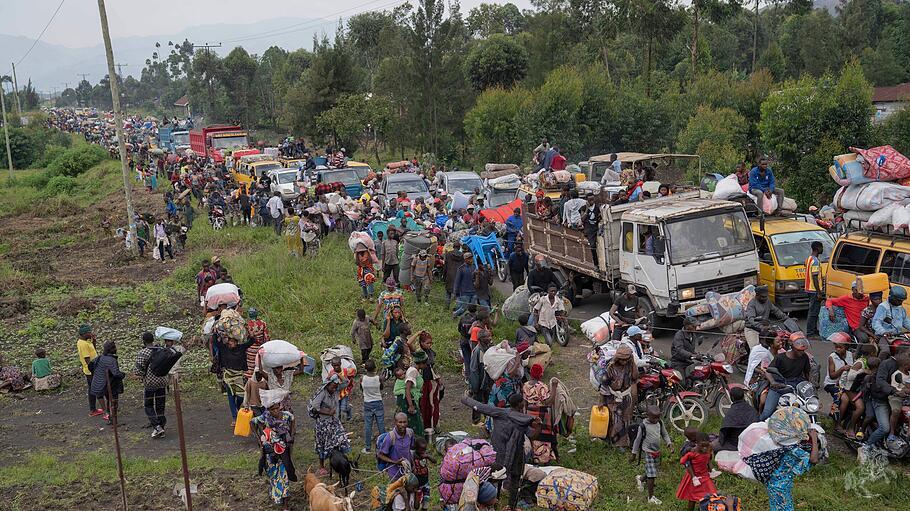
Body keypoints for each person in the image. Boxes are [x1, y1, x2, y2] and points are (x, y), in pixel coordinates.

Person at [461, 392, 538, 511]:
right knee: (514, 480)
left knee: (496, 478)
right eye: (523, 401)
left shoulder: (501, 412)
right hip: (515, 453)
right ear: (520, 405)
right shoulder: (521, 419)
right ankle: (510, 506)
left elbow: (480, 407)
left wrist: (465, 399)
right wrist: (538, 427)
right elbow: (532, 435)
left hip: (499, 452)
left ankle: (492, 502)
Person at [762, 410, 820, 511]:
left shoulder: (779, 441)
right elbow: (814, 459)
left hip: (772, 482)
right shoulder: (794, 450)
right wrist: (814, 439)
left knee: (776, 507)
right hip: (780, 487)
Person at [251, 396, 296, 510]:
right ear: (269, 410)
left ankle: (285, 504)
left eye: (277, 408)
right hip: (270, 451)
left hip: (283, 450)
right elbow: (252, 422)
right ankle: (277, 494)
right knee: (273, 473)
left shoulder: (286, 415)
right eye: (272, 409)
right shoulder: (265, 417)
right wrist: (259, 440)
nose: (275, 411)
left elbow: (293, 420)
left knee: (284, 473)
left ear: (280, 407)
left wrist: (291, 435)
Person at [759, 335, 812, 420]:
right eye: (799, 351)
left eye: (803, 350)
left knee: (808, 409)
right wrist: (773, 382)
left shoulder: (804, 357)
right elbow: (768, 371)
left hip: (796, 387)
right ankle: (758, 425)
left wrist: (810, 385)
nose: (802, 353)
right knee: (767, 413)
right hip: (779, 387)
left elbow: (807, 372)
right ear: (792, 348)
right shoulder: (780, 358)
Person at [308, 374, 351, 476]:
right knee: (322, 444)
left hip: (334, 421)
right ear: (327, 385)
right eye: (332, 387)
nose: (334, 389)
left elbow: (346, 382)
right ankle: (322, 466)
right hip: (323, 424)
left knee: (340, 439)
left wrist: (337, 375)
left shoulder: (336, 390)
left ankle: (340, 462)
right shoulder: (322, 393)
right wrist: (327, 412)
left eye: (336, 387)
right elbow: (315, 408)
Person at [866, 353, 910, 449]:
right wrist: (895, 391)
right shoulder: (887, 364)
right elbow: (880, 382)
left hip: (900, 398)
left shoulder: (905, 369)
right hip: (882, 399)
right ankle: (866, 447)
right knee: (885, 428)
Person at [597, 344, 638, 447]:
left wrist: (632, 362)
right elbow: (604, 384)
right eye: (622, 360)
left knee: (626, 419)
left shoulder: (629, 365)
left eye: (626, 360)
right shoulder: (610, 367)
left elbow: (635, 377)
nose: (624, 362)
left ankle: (624, 441)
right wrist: (601, 400)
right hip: (613, 398)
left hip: (626, 397)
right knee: (616, 420)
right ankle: (617, 443)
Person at [631, 405, 672, 505]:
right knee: (652, 475)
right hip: (648, 452)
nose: (657, 419)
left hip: (657, 451)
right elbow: (637, 440)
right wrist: (634, 453)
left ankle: (640, 479)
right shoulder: (643, 426)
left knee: (652, 471)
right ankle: (651, 497)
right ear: (647, 415)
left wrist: (669, 443)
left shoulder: (660, 423)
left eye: (658, 417)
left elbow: (665, 434)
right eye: (654, 417)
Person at [135, 332, 169, 438]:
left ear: (144, 341)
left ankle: (157, 427)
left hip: (150, 383)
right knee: (160, 405)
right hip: (163, 381)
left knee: (148, 405)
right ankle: (161, 426)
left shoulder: (143, 353)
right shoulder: (161, 350)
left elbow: (138, 371)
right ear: (152, 340)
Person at [676, 433, 718, 510]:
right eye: (702, 446)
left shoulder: (707, 452)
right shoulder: (693, 453)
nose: (705, 448)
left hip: (705, 476)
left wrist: (712, 472)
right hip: (694, 477)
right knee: (692, 497)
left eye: (707, 446)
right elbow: (683, 461)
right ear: (697, 444)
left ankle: (703, 508)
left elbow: (708, 462)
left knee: (711, 493)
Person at [91, 340, 125, 425]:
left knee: (109, 401)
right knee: (113, 402)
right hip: (111, 385)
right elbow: (116, 373)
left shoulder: (99, 358)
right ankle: (114, 420)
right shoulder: (112, 360)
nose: (116, 349)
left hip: (102, 384)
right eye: (115, 347)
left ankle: (109, 417)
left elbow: (91, 366)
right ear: (112, 349)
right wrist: (123, 374)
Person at [714, 387, 757, 452]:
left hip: (735, 444)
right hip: (751, 442)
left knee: (712, 447)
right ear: (743, 397)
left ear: (732, 398)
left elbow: (724, 432)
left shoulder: (731, 413)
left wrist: (720, 441)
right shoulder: (752, 410)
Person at [417, 334, 443, 436]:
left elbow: (433, 367)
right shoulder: (419, 353)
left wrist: (438, 379)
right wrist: (418, 333)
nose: (429, 345)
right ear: (421, 343)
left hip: (432, 381)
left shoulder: (431, 353)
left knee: (433, 404)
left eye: (431, 343)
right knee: (425, 405)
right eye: (427, 343)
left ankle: (434, 424)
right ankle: (426, 426)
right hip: (423, 382)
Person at [377, 412, 416, 480]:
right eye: (400, 422)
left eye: (404, 422)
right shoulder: (390, 437)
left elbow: (410, 450)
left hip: (407, 470)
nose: (402, 425)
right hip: (394, 473)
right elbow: (380, 455)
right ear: (395, 423)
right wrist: (395, 462)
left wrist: (413, 464)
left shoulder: (410, 433)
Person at [823, 333, 854, 418]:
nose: (838, 349)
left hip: (845, 383)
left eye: (840, 347)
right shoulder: (832, 357)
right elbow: (832, 376)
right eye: (836, 347)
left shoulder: (851, 355)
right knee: (844, 399)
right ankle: (837, 422)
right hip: (832, 384)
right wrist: (842, 369)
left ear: (846, 347)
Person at [396, 351, 427, 434]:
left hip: (409, 398)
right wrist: (410, 406)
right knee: (412, 422)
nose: (426, 365)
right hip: (407, 400)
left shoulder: (415, 369)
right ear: (420, 364)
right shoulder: (413, 372)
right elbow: (407, 389)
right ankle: (414, 442)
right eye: (425, 364)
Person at [76, 324, 103, 417]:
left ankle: (93, 409)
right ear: (84, 334)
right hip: (91, 370)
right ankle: (104, 411)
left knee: (92, 389)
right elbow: (87, 360)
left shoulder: (86, 341)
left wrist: (94, 341)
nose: (91, 333)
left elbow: (93, 351)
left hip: (92, 369)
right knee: (97, 389)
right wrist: (95, 370)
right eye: (89, 332)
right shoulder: (82, 344)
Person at [469, 330, 495, 426]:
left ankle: (487, 419)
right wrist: (475, 386)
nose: (490, 338)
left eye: (490, 336)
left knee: (488, 400)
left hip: (488, 381)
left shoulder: (489, 348)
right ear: (480, 339)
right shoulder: (477, 351)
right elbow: (474, 370)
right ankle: (476, 420)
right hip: (479, 382)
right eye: (487, 337)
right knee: (477, 401)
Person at [361, 359, 385, 454]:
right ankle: (383, 445)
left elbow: (361, 389)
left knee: (368, 426)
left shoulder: (362, 378)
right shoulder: (378, 378)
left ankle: (367, 448)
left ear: (365, 369)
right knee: (381, 425)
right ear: (375, 368)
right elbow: (381, 388)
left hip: (367, 403)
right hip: (378, 402)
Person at [804, 241, 825, 340]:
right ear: (817, 248)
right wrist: (819, 292)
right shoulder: (815, 261)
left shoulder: (809, 259)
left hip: (809, 289)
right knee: (813, 312)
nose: (822, 249)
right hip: (813, 290)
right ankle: (810, 333)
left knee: (815, 311)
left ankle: (814, 330)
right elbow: (815, 277)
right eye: (821, 247)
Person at [326, 357, 356, 422]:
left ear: (340, 364)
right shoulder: (331, 373)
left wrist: (350, 378)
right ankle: (339, 421)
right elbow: (327, 381)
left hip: (344, 393)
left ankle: (349, 412)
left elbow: (353, 372)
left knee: (343, 408)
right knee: (337, 409)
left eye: (337, 365)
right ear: (332, 365)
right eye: (334, 365)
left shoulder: (345, 371)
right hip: (336, 394)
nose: (336, 367)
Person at [245, 308, 271, 379]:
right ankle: (260, 379)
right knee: (259, 364)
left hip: (250, 349)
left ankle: (250, 381)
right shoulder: (263, 323)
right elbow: (266, 337)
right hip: (260, 348)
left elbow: (245, 338)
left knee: (250, 366)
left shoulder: (247, 324)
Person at [412, 437, 435, 508]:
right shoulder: (413, 456)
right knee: (416, 504)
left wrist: (427, 456)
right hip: (417, 484)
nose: (423, 451)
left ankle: (424, 508)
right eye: (421, 450)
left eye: (424, 449)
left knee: (426, 503)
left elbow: (435, 461)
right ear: (416, 448)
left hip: (425, 482)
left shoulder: (425, 455)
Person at [452, 252, 477, 318]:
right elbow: (457, 281)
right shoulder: (461, 269)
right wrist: (455, 292)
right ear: (465, 259)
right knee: (464, 308)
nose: (471, 260)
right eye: (469, 258)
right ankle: (455, 314)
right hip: (465, 292)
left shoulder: (474, 267)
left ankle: (470, 319)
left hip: (474, 291)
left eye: (471, 258)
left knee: (473, 308)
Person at [444, 241, 464, 309]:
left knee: (448, 292)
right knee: (458, 294)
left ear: (453, 247)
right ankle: (458, 309)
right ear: (459, 247)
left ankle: (446, 307)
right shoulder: (462, 255)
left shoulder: (448, 254)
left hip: (449, 275)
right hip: (458, 277)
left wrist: (444, 276)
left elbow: (445, 266)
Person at [582, 195, 601, 265]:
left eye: (593, 200)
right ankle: (596, 264)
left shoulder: (597, 207)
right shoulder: (583, 208)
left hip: (597, 227)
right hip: (589, 229)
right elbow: (582, 219)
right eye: (590, 200)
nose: (591, 201)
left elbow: (600, 216)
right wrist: (587, 209)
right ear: (586, 201)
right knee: (592, 246)